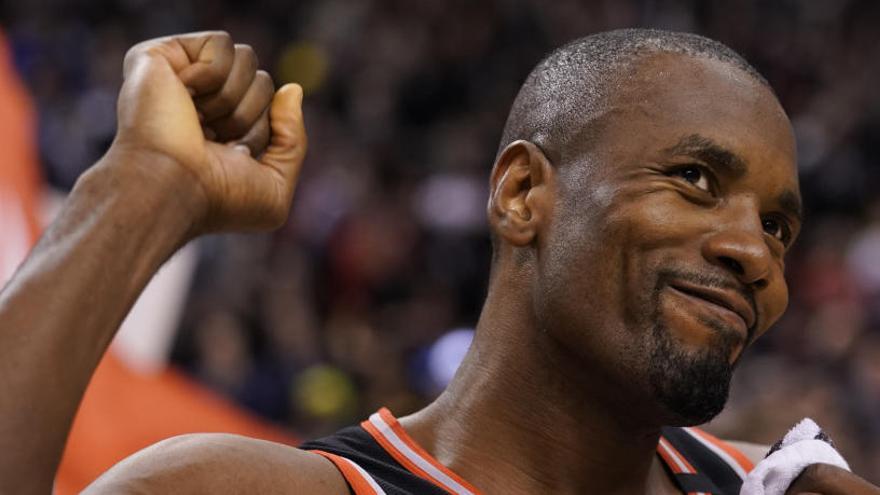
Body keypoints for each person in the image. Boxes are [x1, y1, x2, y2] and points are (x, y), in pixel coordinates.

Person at [0, 28, 876, 495]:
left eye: (779, 227)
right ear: (523, 193)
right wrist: (142, 186)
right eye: (693, 179)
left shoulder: (789, 490)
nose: (751, 251)